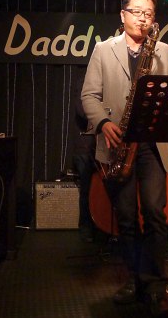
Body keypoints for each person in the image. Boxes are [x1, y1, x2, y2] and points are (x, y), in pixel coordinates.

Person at [81, 0, 168, 318]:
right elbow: (89, 96)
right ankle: (134, 279)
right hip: (117, 143)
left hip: (153, 144)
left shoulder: (167, 52)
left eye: (148, 13)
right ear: (122, 15)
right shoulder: (102, 49)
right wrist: (104, 122)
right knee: (125, 218)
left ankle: (155, 284)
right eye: (136, 11)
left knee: (154, 213)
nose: (142, 18)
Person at [72, 71, 97, 243]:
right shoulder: (85, 81)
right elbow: (82, 110)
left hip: (108, 146)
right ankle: (87, 226)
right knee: (88, 189)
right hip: (86, 147)